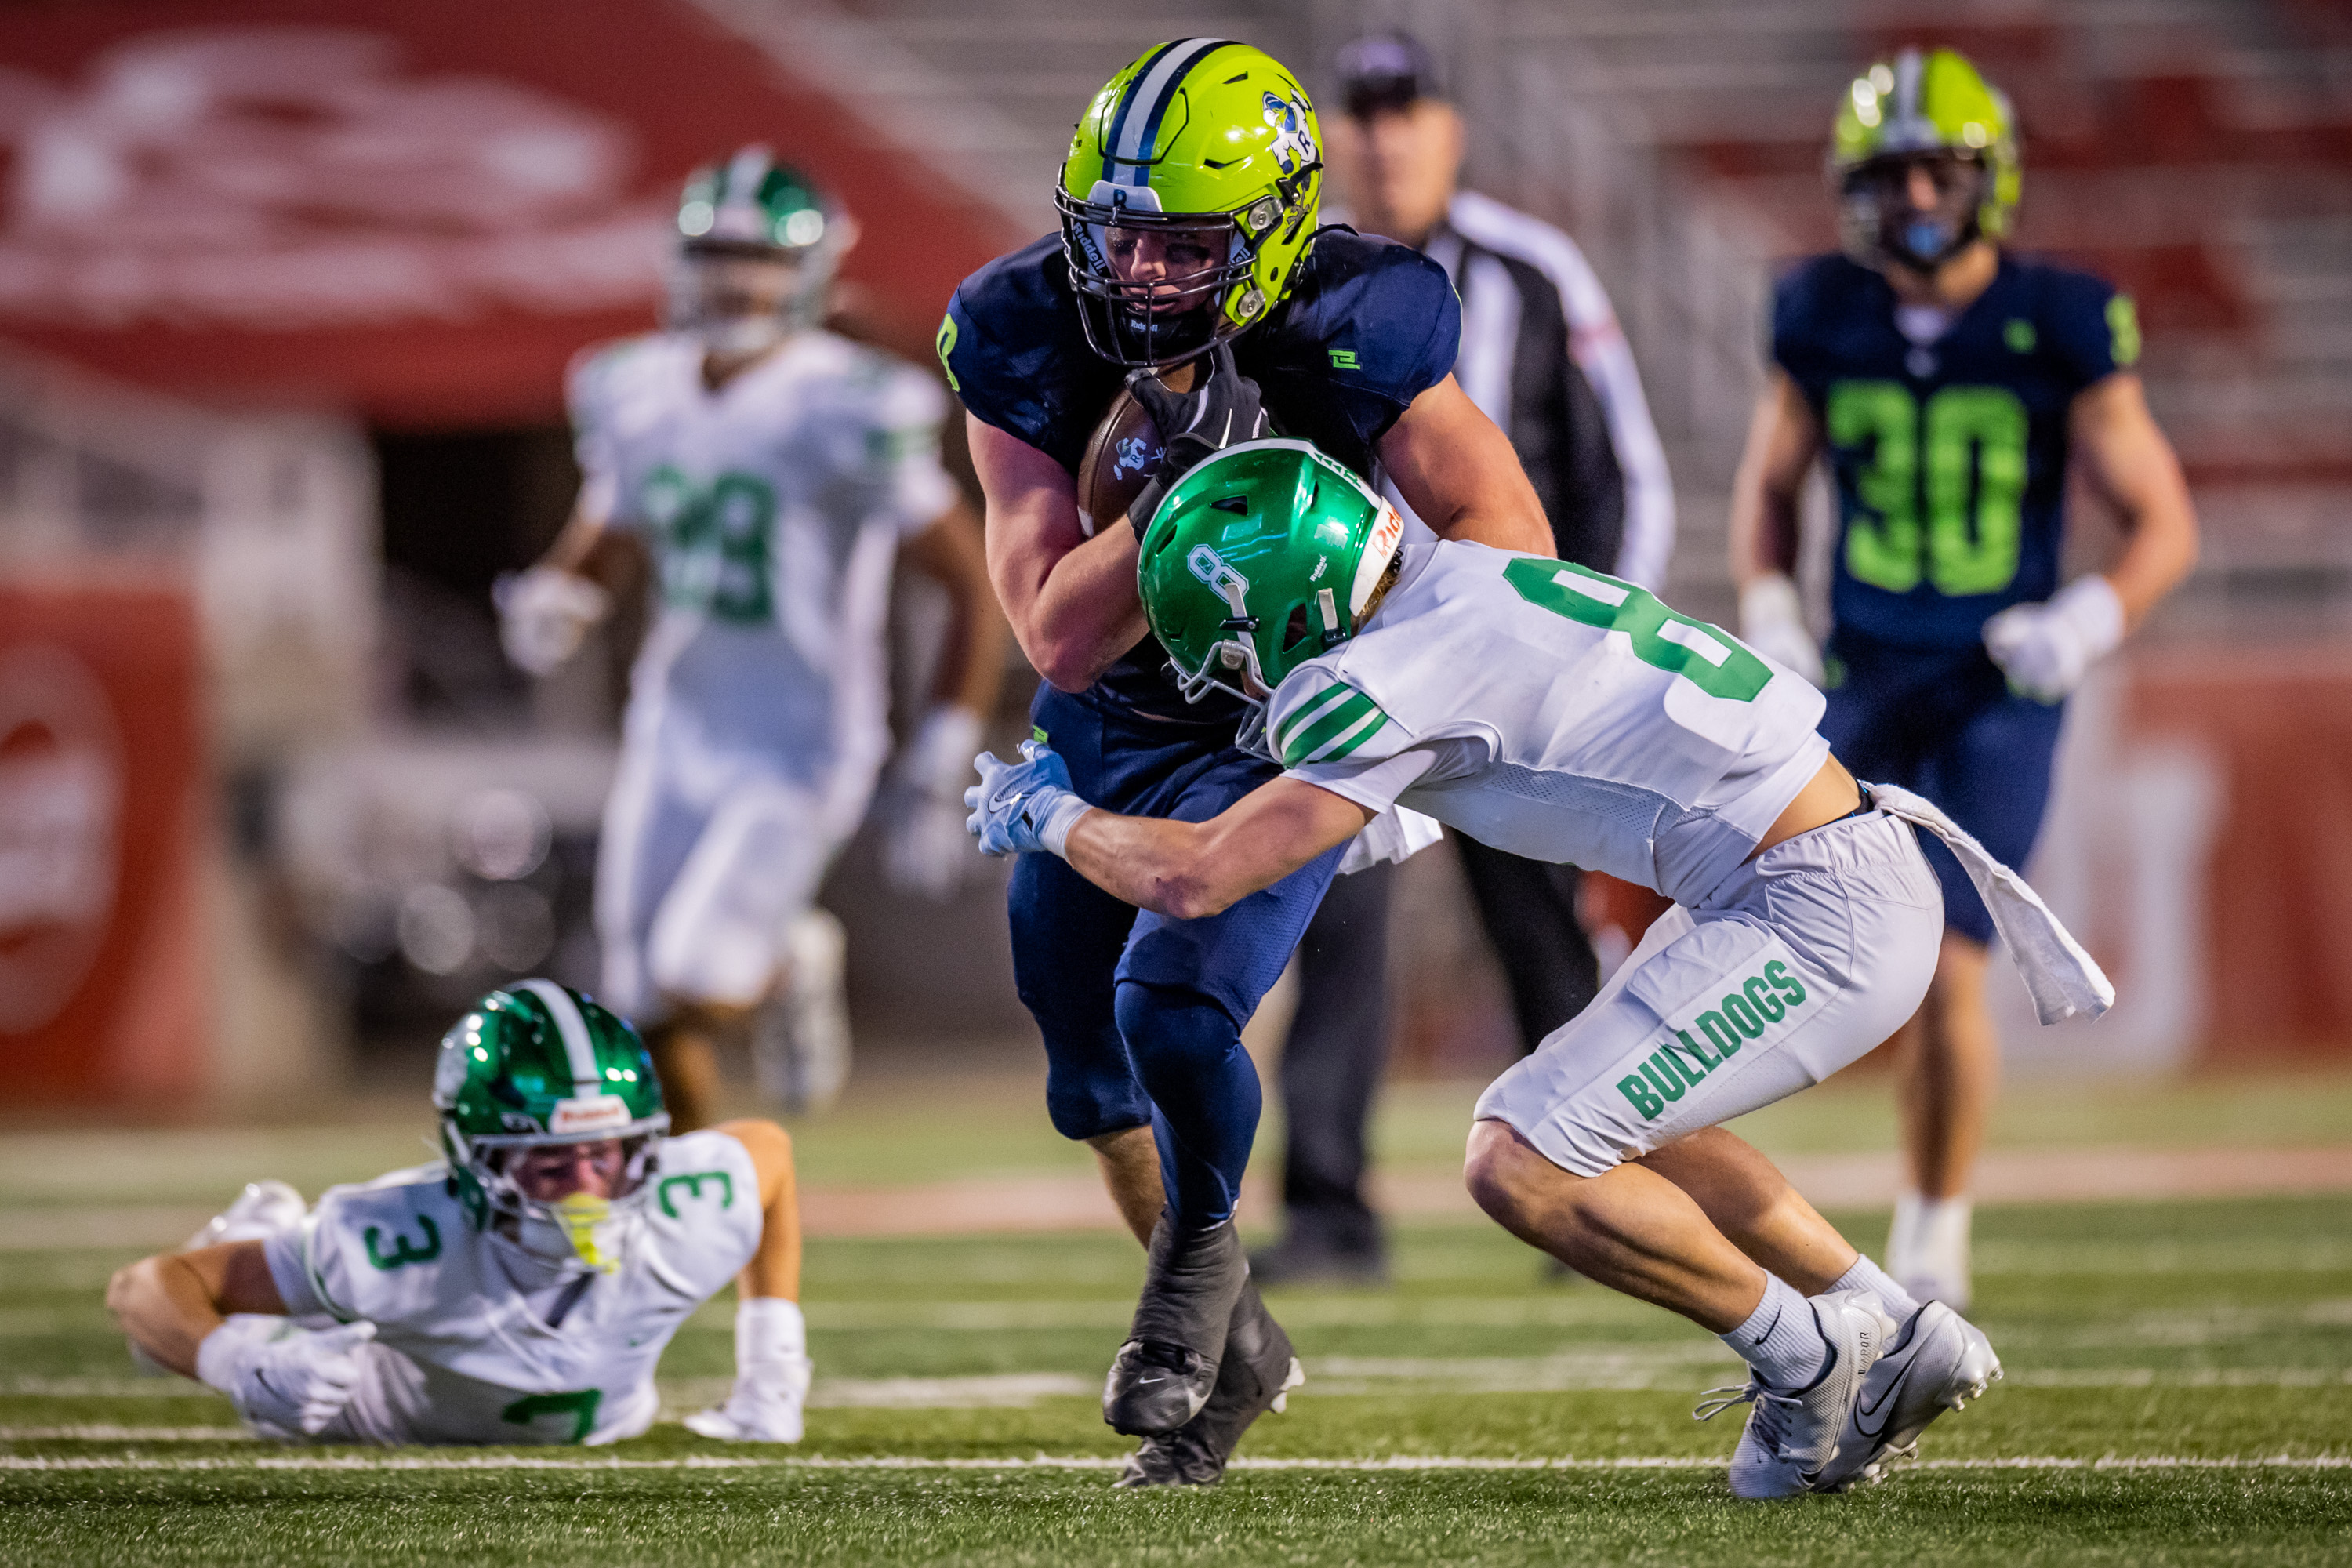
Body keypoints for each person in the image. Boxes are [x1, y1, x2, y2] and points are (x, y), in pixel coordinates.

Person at [967, 437, 2112, 1497]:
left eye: (1226, 640)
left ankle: (1806, 1356)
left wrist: (1051, 817)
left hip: (1815, 904)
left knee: (1520, 1157)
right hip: (1812, 862)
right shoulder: (1466, 573)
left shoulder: (1374, 673)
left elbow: (1198, 878)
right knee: (1623, 1119)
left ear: (1288, 596)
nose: (1236, 674)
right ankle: (1889, 1322)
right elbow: (1471, 763)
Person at [937, 38, 1554, 1486]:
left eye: (1182, 245)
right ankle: (1246, 1345)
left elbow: (1511, 536)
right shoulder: (1021, 325)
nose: (1141, 276)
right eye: (1119, 237)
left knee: (1174, 1006)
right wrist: (1172, 491)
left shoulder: (1359, 316)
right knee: (1086, 1083)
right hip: (1110, 731)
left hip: (1279, 728)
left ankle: (1198, 1272)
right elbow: (1052, 638)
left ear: (1275, 232)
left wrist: (1401, 711)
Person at [1726, 49, 2199, 1308]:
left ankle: (1933, 1240)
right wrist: (1771, 603)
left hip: (1999, 683)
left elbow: (2163, 521)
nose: (1919, 195)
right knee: (1783, 926)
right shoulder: (1821, 309)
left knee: (1948, 965)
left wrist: (2090, 617)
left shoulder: (2058, 318)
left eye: (1940, 169)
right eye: (1893, 173)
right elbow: (1769, 489)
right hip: (1861, 675)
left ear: (1991, 180)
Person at [1249, 32, 1682, 1283]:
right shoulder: (1289, 276)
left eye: (1407, 110)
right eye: (1363, 112)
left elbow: (1622, 473)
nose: (1385, 137)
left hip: (1511, 645)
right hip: (1359, 653)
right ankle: (1331, 1211)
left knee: (1540, 918)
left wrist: (1593, 636)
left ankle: (1597, 1179)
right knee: (1331, 913)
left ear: (1452, 131)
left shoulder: (1531, 271)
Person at [499, 147, 1005, 1131]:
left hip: (801, 742)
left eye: (760, 257)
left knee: (698, 972)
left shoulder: (848, 398)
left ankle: (784, 963)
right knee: (640, 1003)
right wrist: (558, 597)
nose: (735, 278)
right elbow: (611, 533)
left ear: (809, 269)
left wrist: (944, 742)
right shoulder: (633, 386)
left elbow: (965, 577)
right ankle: (692, 1205)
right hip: (675, 724)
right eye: (715, 252)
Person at [107, 981, 811, 1447]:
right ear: (477, 1157)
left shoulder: (686, 1206)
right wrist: (239, 1364)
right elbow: (140, 1286)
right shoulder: (396, 1241)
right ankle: (258, 1240)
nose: (586, 1186)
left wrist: (772, 1366)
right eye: (549, 1160)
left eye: (607, 1152)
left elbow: (770, 1157)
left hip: (613, 1421)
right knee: (237, 1338)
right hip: (376, 1418)